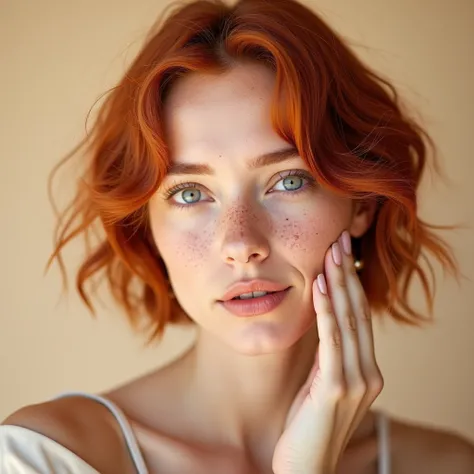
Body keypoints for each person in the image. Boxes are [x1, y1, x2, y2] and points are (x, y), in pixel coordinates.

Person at [1, 0, 473, 472]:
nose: (240, 243)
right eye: (189, 193)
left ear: (361, 204)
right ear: (145, 223)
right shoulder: (43, 457)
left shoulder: (445, 465)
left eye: (288, 181)